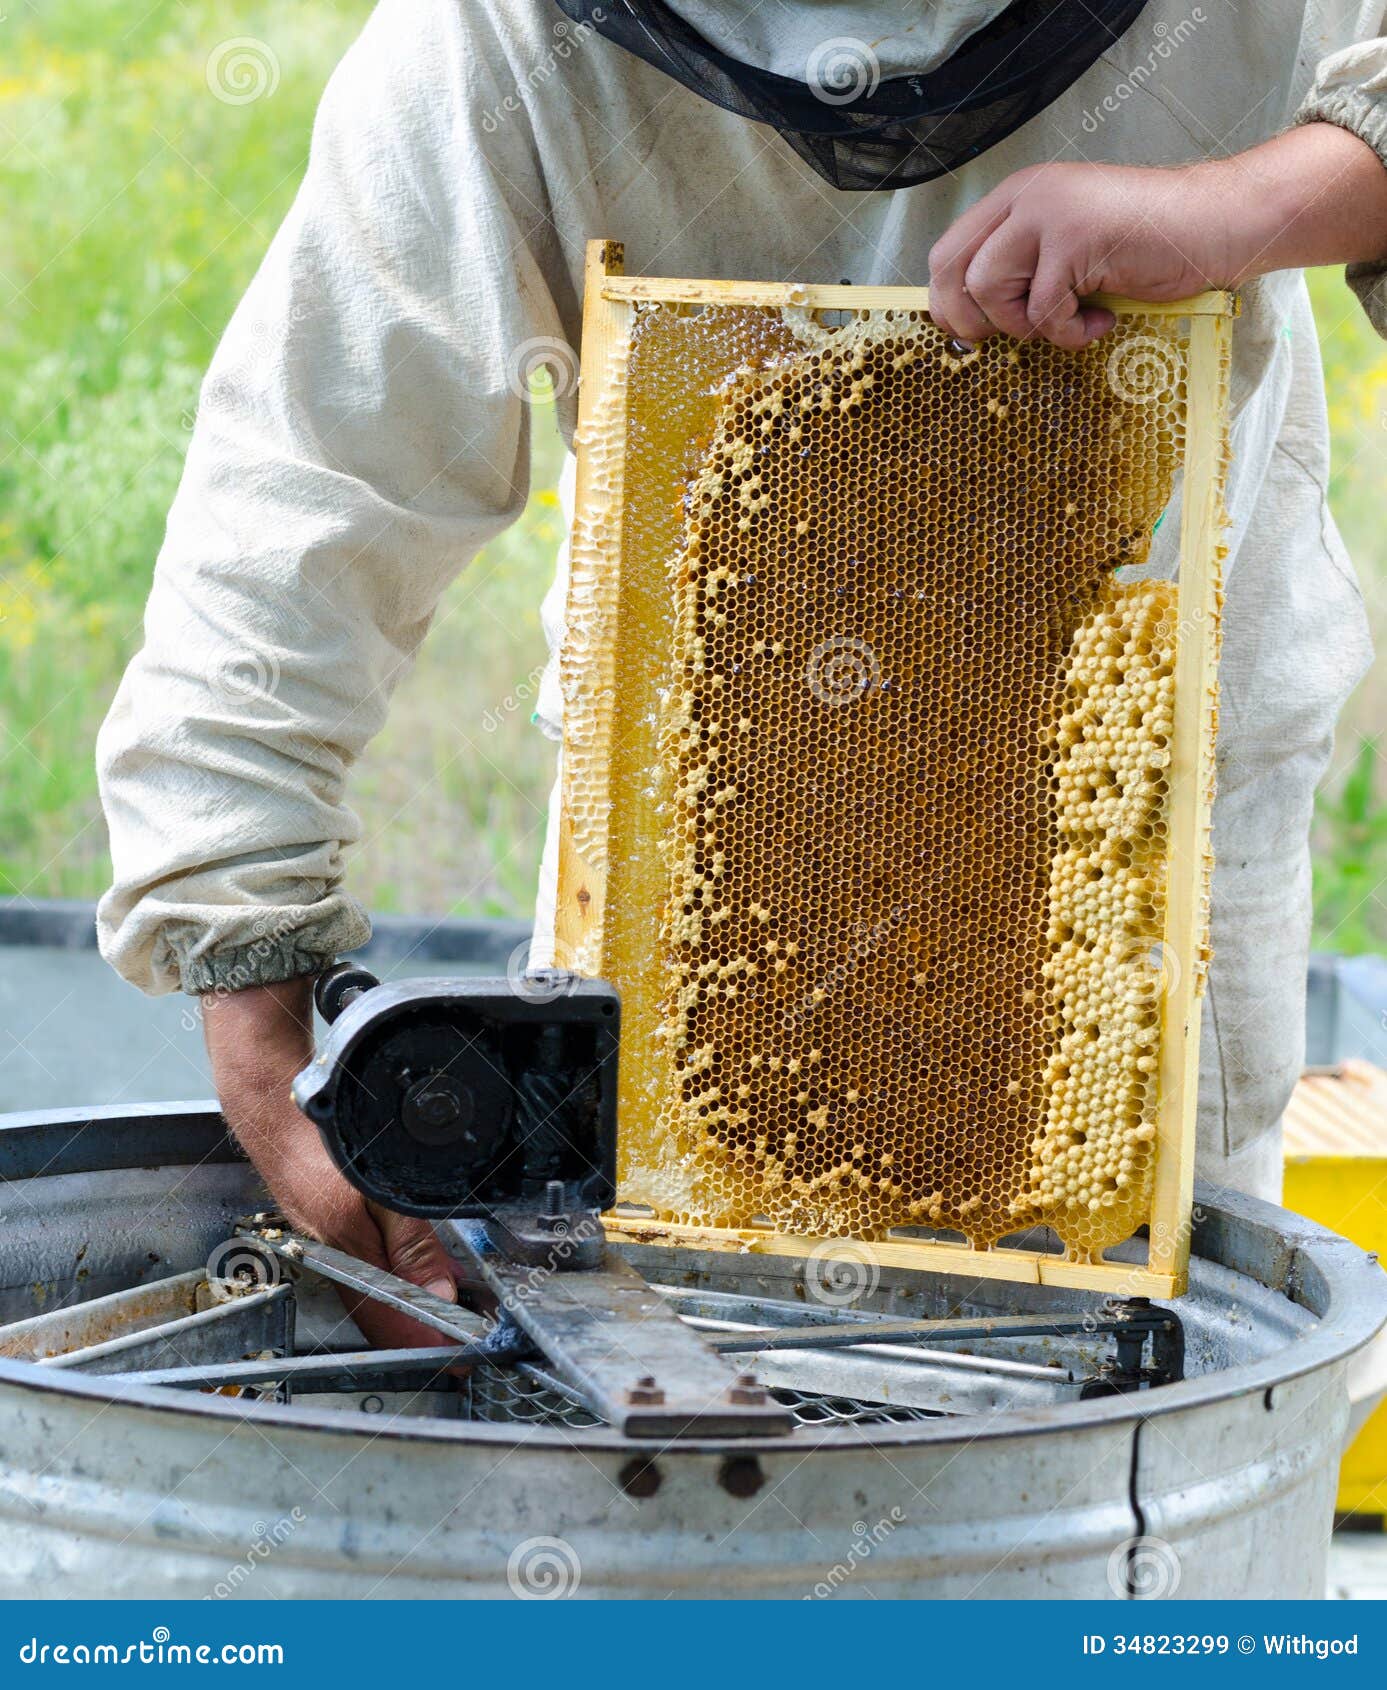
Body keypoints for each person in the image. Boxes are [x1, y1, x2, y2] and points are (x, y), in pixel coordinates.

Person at [97, 3, 1387, 1348]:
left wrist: (1243, 203)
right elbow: (319, 470)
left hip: (1137, 812)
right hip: (694, 797)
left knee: (1130, 1452)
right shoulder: (500, 43)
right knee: (674, 1443)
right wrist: (241, 938)